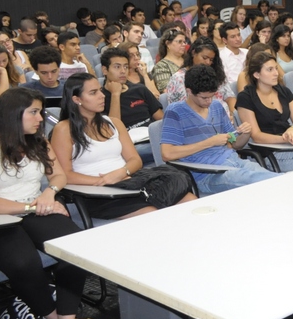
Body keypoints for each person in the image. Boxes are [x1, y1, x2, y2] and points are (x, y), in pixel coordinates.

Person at [0, 88, 97, 319]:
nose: (40, 118)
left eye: (40, 112)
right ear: (12, 114)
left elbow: (58, 176)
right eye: (33, 112)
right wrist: (35, 206)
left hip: (33, 208)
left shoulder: (37, 141)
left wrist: (49, 193)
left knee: (77, 247)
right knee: (24, 263)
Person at [51, 73, 195, 219]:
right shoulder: (63, 129)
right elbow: (65, 175)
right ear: (76, 99)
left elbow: (135, 160)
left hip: (129, 183)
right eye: (93, 93)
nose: (102, 96)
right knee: (153, 215)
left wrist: (122, 172)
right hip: (96, 193)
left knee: (190, 201)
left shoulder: (114, 123)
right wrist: (104, 180)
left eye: (100, 90)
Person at [160, 66, 278, 195]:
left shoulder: (216, 106)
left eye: (212, 96)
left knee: (271, 178)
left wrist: (245, 133)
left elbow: (235, 144)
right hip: (207, 174)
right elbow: (167, 154)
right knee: (261, 180)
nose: (209, 101)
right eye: (204, 98)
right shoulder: (175, 112)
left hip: (234, 162)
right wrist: (210, 142)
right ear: (189, 91)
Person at [165, 37, 236, 114]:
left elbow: (229, 97)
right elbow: (179, 110)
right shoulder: (179, 78)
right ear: (193, 53)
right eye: (204, 58)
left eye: (211, 60)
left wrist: (233, 113)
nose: (208, 62)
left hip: (225, 117)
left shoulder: (217, 73)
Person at [99, 48, 162, 129]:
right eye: (117, 67)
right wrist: (115, 94)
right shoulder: (100, 98)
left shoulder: (140, 89)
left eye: (125, 67)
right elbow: (113, 130)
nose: (123, 71)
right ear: (105, 70)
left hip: (151, 136)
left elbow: (161, 120)